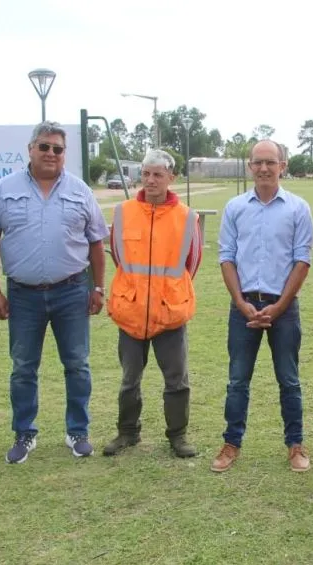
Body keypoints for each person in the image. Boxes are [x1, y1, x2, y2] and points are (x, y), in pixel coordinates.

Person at [0, 122, 109, 463]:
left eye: (57, 148)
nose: (51, 153)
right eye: (44, 147)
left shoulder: (81, 191)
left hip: (72, 291)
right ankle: (24, 434)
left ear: (64, 153)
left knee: (77, 365)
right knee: (23, 366)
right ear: (30, 149)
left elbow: (96, 241)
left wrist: (97, 287)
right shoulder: (3, 190)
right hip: (23, 295)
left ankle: (77, 431)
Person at [211, 140, 313, 473]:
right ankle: (231, 444)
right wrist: (240, 303)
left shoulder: (298, 208)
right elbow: (226, 257)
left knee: (289, 380)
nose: (265, 168)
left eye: (271, 162)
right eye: (259, 162)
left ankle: (295, 444)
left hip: (283, 307)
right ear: (249, 166)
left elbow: (302, 261)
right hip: (243, 306)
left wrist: (280, 306)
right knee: (237, 380)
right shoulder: (235, 207)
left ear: (283, 165)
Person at [102, 149, 202, 459]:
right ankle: (127, 432)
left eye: (158, 174)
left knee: (176, 380)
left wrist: (167, 293)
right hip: (131, 311)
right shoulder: (123, 212)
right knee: (129, 379)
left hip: (169, 312)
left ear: (172, 178)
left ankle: (178, 436)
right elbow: (118, 256)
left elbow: (192, 262)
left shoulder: (187, 217)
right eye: (146, 174)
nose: (151, 180)